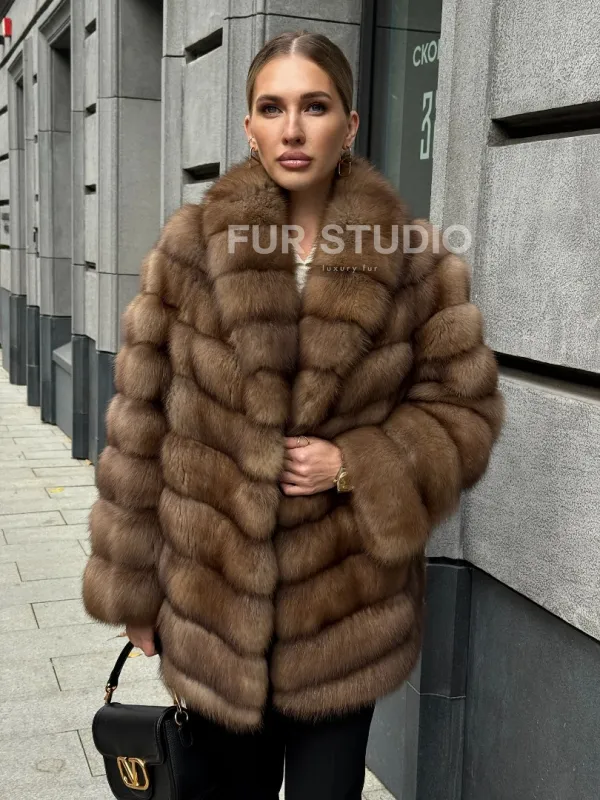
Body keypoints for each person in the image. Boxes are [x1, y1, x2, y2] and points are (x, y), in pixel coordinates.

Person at [82, 29, 505, 800]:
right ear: (249, 127)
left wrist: (356, 463)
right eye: (272, 109)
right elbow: (138, 425)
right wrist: (132, 591)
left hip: (344, 618)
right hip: (213, 610)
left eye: (315, 106)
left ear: (350, 122)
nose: (293, 129)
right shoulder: (189, 250)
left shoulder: (417, 262)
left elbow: (464, 411)